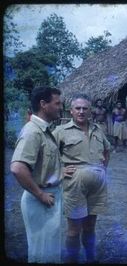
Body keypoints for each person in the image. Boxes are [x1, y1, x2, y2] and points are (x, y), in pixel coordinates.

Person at [53, 94, 110, 263]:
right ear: (71, 111)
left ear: (90, 111)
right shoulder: (60, 132)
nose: (81, 111)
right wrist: (60, 171)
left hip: (98, 186)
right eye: (77, 108)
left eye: (85, 108)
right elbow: (47, 155)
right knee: (74, 229)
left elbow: (107, 150)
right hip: (74, 186)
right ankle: (72, 260)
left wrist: (103, 169)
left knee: (90, 226)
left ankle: (90, 258)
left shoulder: (98, 129)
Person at [10, 86, 63, 263]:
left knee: (50, 252)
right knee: (43, 255)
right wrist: (40, 194)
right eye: (57, 103)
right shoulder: (32, 131)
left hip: (48, 197)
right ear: (43, 104)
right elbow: (18, 168)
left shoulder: (44, 130)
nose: (60, 107)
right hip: (41, 200)